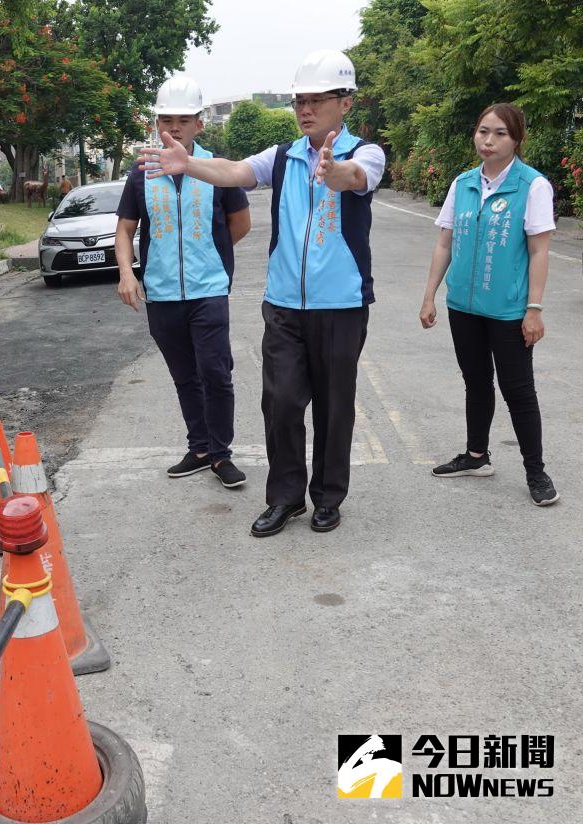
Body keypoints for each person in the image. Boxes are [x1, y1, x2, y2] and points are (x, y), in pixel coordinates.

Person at [138, 50, 385, 536]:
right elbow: (233, 173)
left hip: (341, 306)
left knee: (335, 407)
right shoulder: (283, 157)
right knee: (282, 402)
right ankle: (287, 497)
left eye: (317, 100)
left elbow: (355, 178)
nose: (306, 109)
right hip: (284, 307)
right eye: (300, 101)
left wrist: (336, 173)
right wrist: (187, 165)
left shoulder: (365, 152)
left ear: (346, 104)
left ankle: (328, 498)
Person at [115, 75, 251, 489]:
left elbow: (239, 225)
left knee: (215, 371)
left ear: (199, 124)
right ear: (157, 124)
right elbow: (125, 228)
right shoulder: (142, 172)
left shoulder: (215, 169)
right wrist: (126, 272)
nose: (172, 127)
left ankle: (221, 454)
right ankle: (200, 448)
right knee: (184, 374)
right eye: (165, 119)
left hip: (208, 289)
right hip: (161, 292)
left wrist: (206, 254)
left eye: (183, 119)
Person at [419, 103, 559, 506]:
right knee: (476, 382)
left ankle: (536, 471)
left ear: (516, 139)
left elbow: (538, 251)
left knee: (518, 390)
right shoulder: (462, 183)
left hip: (509, 310)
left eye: (499, 133)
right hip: (463, 304)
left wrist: (534, 309)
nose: (488, 140)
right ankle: (477, 456)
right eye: (483, 131)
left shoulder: (532, 186)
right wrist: (430, 295)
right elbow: (444, 242)